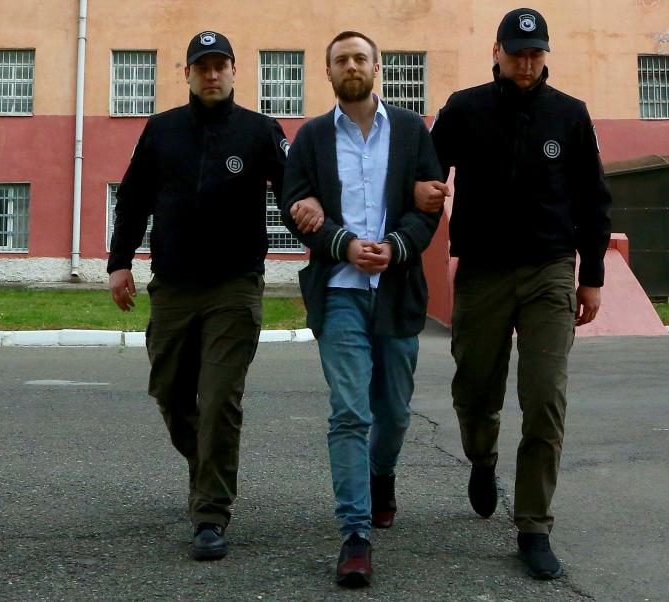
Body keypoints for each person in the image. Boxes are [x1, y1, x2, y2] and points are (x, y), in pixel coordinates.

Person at [426, 8, 612, 580]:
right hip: (482, 271)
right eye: (517, 52)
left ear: (545, 55)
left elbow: (593, 201)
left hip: (550, 271)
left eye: (535, 53)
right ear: (497, 52)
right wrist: (422, 190)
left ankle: (533, 524)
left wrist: (593, 275)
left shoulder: (570, 116)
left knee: (545, 398)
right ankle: (482, 459)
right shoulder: (464, 108)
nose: (526, 62)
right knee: (475, 390)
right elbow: (428, 170)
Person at [107, 30, 287, 562]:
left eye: (220, 66)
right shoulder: (161, 131)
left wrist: (325, 239)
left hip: (234, 286)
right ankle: (207, 464)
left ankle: (210, 514)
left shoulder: (260, 131)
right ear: (186, 73)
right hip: (174, 286)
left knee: (221, 399)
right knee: (168, 390)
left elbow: (296, 194)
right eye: (201, 66)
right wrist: (119, 263)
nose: (212, 75)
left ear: (234, 71)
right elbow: (134, 199)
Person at [280, 31, 445, 588]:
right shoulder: (308, 139)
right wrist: (345, 243)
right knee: (350, 412)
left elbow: (429, 207)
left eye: (360, 58)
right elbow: (295, 206)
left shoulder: (414, 132)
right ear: (327, 72)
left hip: (397, 291)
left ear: (378, 67)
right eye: (340, 59)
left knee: (394, 412)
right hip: (339, 290)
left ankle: (381, 474)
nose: (351, 66)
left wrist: (396, 246)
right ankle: (355, 535)